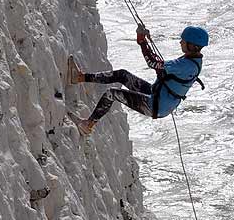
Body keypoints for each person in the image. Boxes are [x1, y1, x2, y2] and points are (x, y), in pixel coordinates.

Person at [67, 24, 207, 136]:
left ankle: (88, 125)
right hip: (157, 95)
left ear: (192, 46)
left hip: (156, 105)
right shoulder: (191, 59)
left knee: (112, 93)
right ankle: (79, 77)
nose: (181, 42)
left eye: (184, 40)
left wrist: (142, 41)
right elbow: (160, 66)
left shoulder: (186, 65)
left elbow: (153, 64)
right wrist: (144, 42)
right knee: (123, 75)